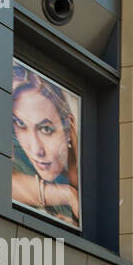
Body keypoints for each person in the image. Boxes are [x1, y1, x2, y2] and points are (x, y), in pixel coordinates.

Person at [12, 62, 81, 226]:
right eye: (21, 125)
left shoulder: (87, 172)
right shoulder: (18, 157)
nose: (36, 150)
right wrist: (67, 195)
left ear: (68, 127)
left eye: (46, 129)